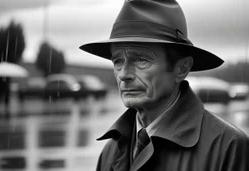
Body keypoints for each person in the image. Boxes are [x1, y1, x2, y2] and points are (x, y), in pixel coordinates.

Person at [80, 0, 249, 170]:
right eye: (117, 61)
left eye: (140, 59)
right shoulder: (111, 151)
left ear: (181, 69)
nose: (123, 74)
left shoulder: (227, 147)